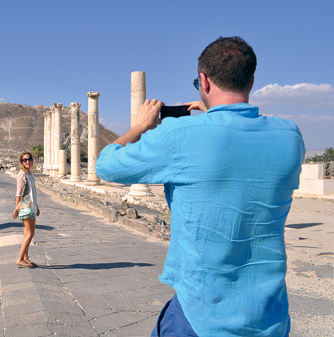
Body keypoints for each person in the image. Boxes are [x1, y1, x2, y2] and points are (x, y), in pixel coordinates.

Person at [96, 37, 305, 337]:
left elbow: (106, 164)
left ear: (204, 82)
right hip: (269, 318)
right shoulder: (290, 138)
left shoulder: (178, 135)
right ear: (252, 81)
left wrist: (140, 126)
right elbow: (238, 154)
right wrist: (213, 118)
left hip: (201, 317)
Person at [13, 151, 40, 268]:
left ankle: (26, 258)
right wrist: (16, 209)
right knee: (29, 234)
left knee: (28, 234)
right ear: (21, 162)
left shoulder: (30, 173)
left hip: (31, 207)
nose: (27, 161)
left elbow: (32, 192)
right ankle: (19, 259)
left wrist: (37, 207)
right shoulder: (22, 175)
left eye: (29, 159)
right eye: (25, 160)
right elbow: (18, 194)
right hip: (25, 208)